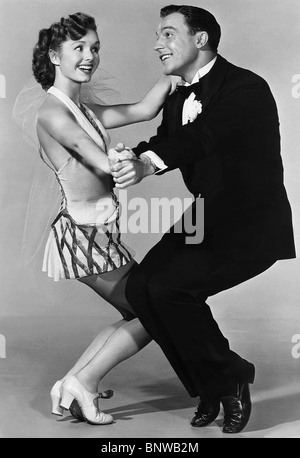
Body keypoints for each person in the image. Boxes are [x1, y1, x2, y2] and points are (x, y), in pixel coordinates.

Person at [110, 5, 296, 434]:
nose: (158, 44)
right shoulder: (178, 92)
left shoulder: (247, 87)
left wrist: (148, 164)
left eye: (169, 34)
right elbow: (169, 140)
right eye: (159, 35)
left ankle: (231, 375)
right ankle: (212, 385)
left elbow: (204, 135)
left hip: (251, 223)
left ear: (201, 39)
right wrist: (132, 157)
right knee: (141, 288)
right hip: (207, 215)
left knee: (172, 289)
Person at [29, 12, 173, 425]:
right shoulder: (52, 114)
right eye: (79, 48)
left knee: (141, 310)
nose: (89, 56)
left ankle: (74, 381)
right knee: (154, 310)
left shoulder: (86, 110)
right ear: (55, 56)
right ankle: (84, 383)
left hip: (96, 234)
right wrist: (120, 159)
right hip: (81, 236)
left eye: (94, 47)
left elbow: (146, 108)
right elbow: (100, 162)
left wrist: (174, 71)